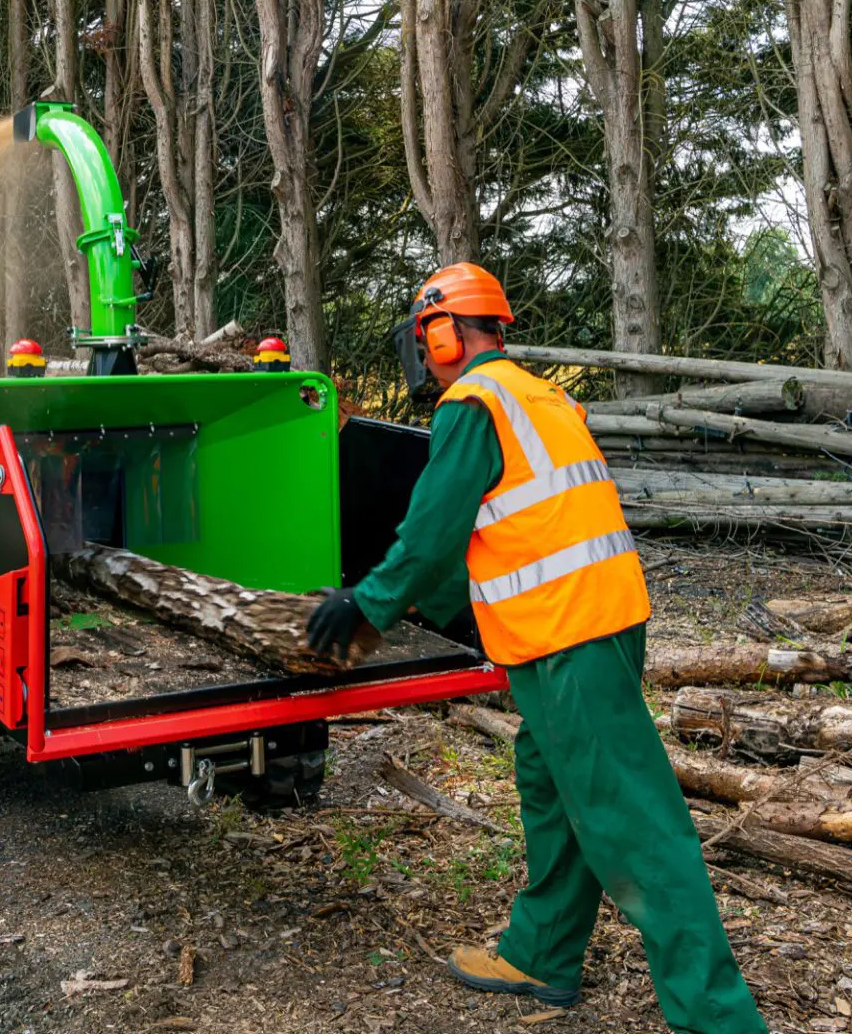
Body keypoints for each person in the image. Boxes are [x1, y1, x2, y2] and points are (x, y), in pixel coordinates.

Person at [306, 263, 767, 1034]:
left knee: (638, 825)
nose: (423, 354)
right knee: (550, 781)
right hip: (601, 619)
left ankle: (719, 1019)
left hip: (568, 633)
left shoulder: (474, 404)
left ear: (445, 332)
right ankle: (543, 952)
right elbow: (511, 527)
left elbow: (432, 531)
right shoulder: (537, 393)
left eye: (426, 337)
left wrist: (367, 605)